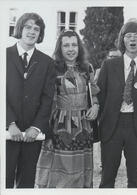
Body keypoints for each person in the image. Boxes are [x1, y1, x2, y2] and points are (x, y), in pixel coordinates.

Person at [35, 30, 100, 188]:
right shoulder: (52, 68)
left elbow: (94, 92)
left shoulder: (87, 68)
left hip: (84, 126)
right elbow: (45, 96)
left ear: (79, 47)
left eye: (74, 45)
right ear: (60, 48)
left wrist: (96, 106)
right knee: (59, 172)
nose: (71, 49)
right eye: (66, 45)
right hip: (60, 125)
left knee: (81, 170)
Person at [97, 20, 137, 188]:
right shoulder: (109, 65)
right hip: (112, 127)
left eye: (136, 36)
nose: (132, 39)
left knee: (135, 180)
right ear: (122, 40)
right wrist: (102, 121)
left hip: (136, 128)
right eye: (128, 36)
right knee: (107, 178)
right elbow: (100, 97)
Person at [6, 12, 55, 188]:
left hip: (31, 136)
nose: (32, 31)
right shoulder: (4, 56)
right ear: (20, 28)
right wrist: (9, 123)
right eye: (28, 27)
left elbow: (48, 98)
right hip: (6, 132)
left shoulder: (47, 62)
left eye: (37, 28)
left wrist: (36, 127)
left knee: (26, 182)